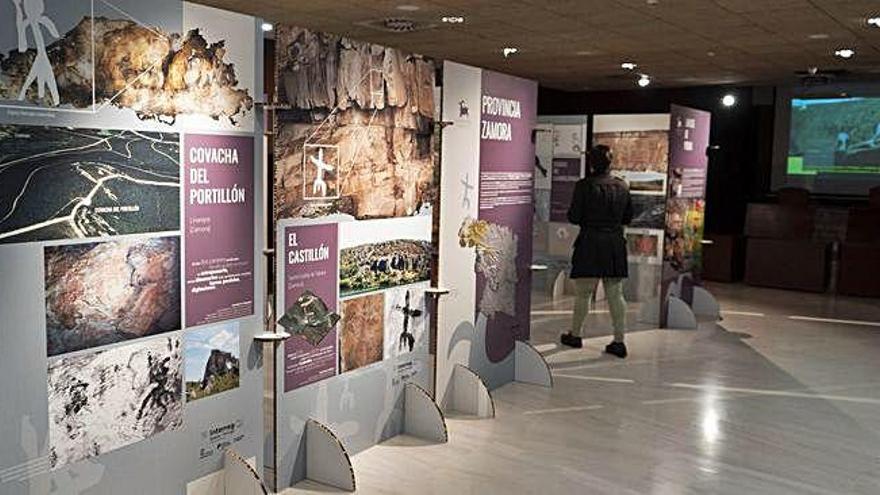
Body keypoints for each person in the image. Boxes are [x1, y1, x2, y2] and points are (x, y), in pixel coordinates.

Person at [560, 145, 633, 358]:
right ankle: (619, 341)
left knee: (583, 293)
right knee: (615, 293)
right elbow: (628, 217)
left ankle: (576, 335)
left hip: (590, 241)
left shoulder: (584, 185)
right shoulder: (622, 186)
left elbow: (574, 216)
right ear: (610, 162)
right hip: (614, 243)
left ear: (592, 162)